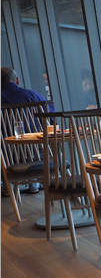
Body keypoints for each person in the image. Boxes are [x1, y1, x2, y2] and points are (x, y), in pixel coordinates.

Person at [1, 66, 52, 195]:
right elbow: (52, 119)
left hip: (6, 156)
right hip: (37, 153)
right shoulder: (33, 96)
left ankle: (7, 187)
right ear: (17, 80)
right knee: (36, 148)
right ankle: (33, 183)